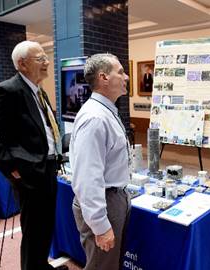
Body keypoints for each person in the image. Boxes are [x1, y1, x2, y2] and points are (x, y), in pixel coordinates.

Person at [0, 41, 67, 270]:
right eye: (40, 58)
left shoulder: (38, 90)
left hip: (48, 167)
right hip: (29, 173)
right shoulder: (8, 90)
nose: (47, 62)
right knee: (34, 230)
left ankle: (40, 265)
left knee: (45, 226)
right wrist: (11, 167)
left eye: (46, 57)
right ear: (22, 64)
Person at [70, 53, 131, 270]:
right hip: (103, 202)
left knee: (109, 264)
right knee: (101, 266)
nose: (126, 77)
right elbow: (87, 178)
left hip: (114, 197)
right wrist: (100, 225)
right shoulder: (95, 118)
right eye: (121, 72)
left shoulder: (106, 111)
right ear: (104, 77)